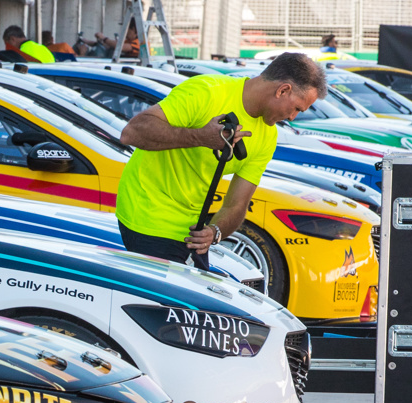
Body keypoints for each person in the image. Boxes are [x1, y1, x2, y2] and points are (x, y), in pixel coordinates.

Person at [114, 52, 325, 265]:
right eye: (296, 108)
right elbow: (131, 134)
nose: (292, 117)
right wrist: (200, 137)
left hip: (190, 230)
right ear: (283, 90)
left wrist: (215, 232)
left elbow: (237, 204)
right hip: (146, 216)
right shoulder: (208, 91)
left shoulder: (267, 136)